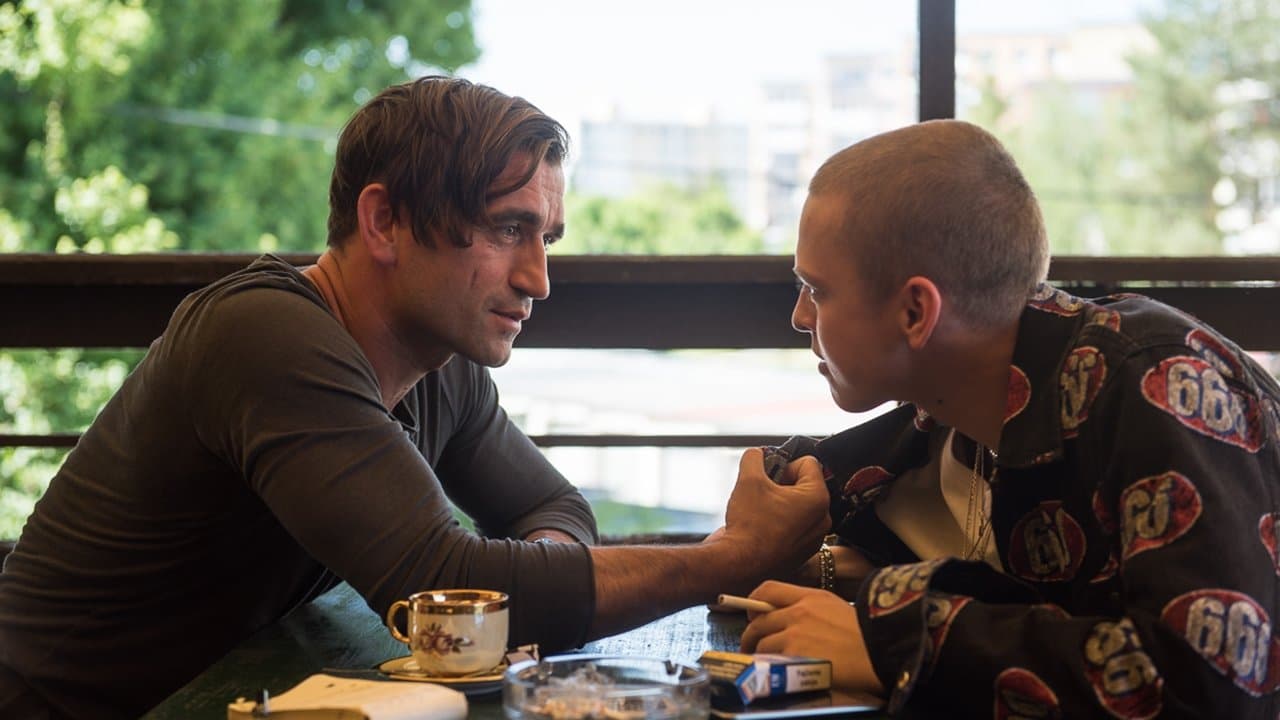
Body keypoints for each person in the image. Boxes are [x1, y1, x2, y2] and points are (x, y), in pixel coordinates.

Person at [0, 76, 830, 719]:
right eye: (508, 229)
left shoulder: (443, 363)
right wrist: (727, 559)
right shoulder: (263, 334)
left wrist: (531, 591)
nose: (538, 279)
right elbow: (440, 579)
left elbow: (550, 506)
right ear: (384, 221)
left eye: (546, 238)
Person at [737, 119, 1280, 718]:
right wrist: (803, 550)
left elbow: (1208, 688)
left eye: (817, 290)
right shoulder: (960, 406)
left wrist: (894, 643)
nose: (799, 316)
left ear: (916, 312)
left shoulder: (1155, 382)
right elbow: (816, 489)